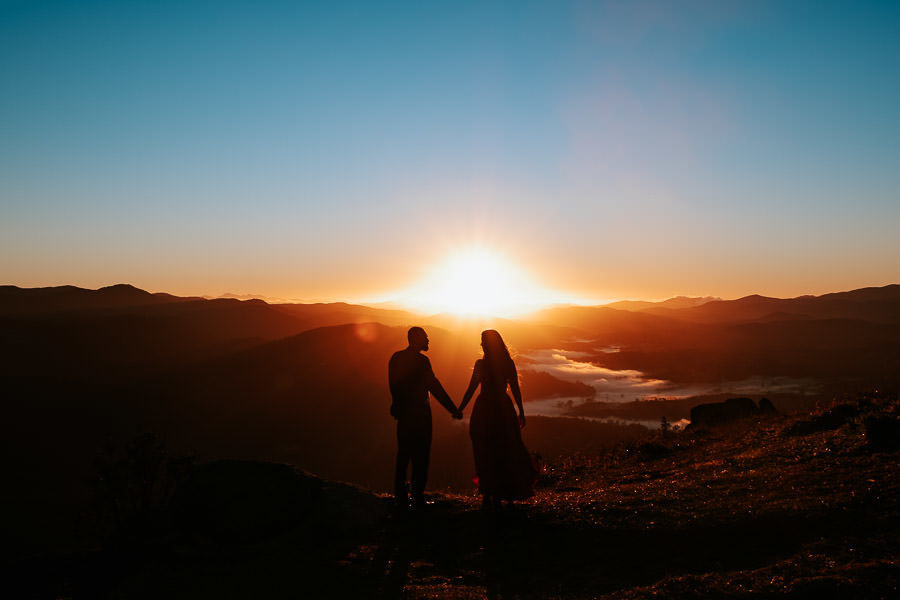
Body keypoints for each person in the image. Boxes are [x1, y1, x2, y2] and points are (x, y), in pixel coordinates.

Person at [456, 329, 537, 509]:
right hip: (500, 410)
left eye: (483, 341)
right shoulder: (506, 363)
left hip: (485, 410)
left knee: (486, 450)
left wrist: (460, 408)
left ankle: (490, 492)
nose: (481, 345)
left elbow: (471, 389)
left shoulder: (481, 365)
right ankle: (501, 492)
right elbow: (515, 388)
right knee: (503, 449)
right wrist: (521, 411)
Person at [388, 326, 457, 511]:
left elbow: (393, 385)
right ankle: (417, 498)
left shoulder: (396, 358)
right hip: (420, 415)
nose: (428, 341)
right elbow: (434, 387)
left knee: (403, 455)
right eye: (426, 338)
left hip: (404, 415)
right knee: (421, 457)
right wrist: (452, 408)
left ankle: (401, 497)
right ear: (416, 339)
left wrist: (396, 405)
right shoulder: (422, 362)